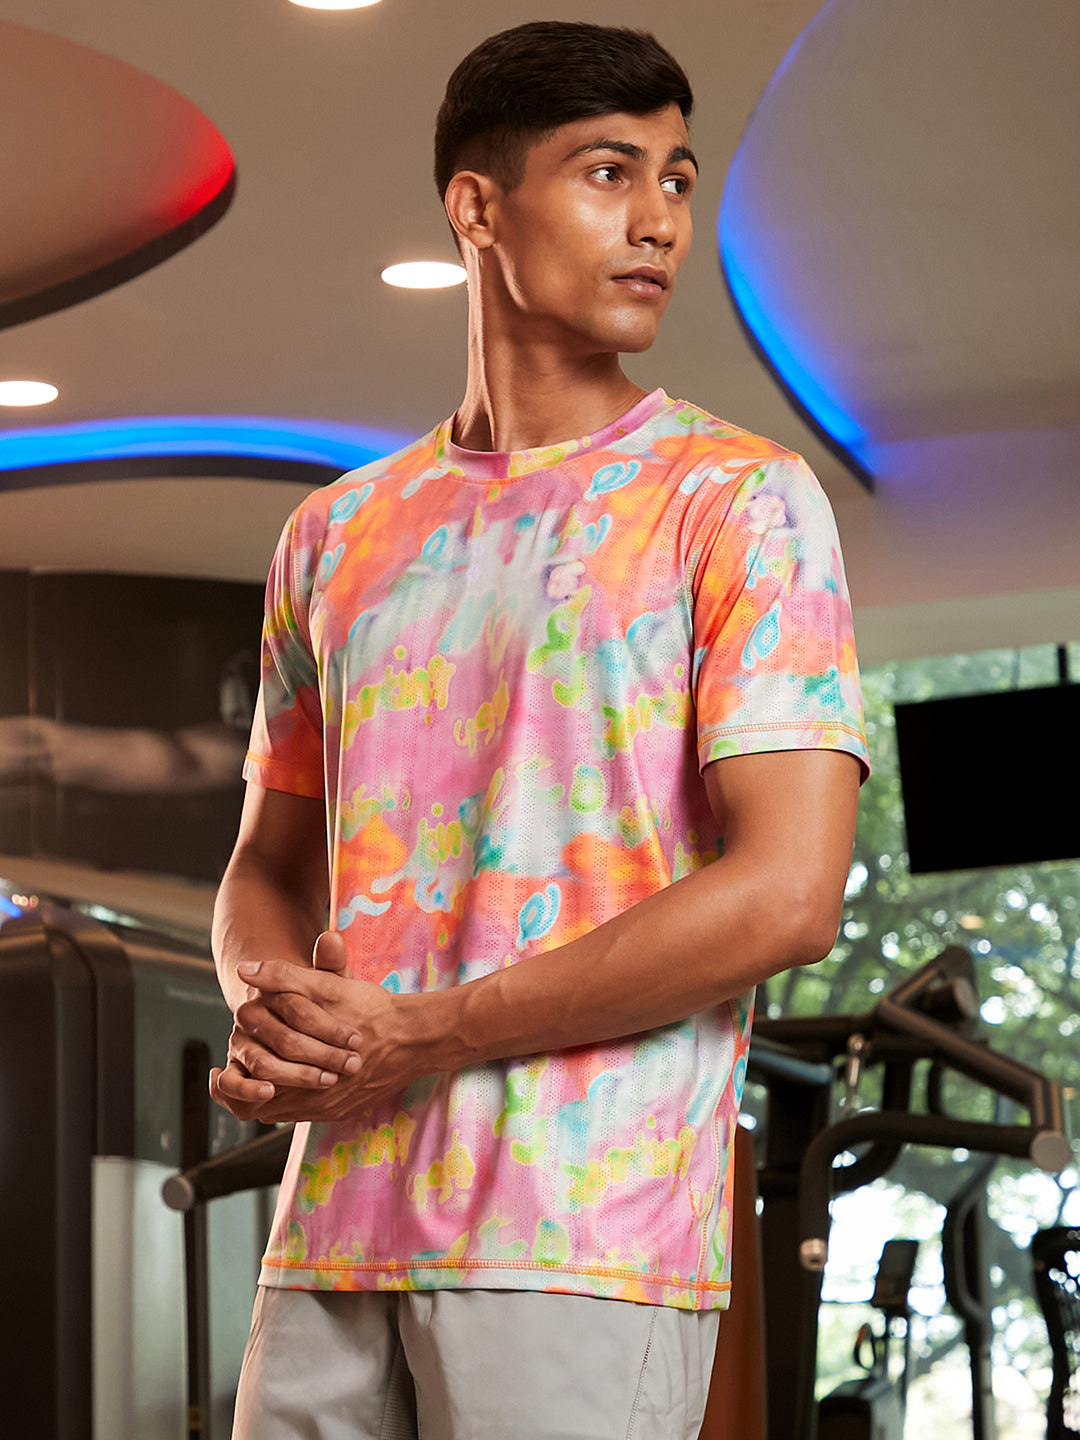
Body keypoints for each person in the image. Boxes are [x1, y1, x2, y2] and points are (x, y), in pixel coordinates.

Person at [209, 21, 868, 1439]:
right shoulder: (334, 533)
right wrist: (277, 1011)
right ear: (477, 206)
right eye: (608, 172)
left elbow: (789, 894)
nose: (659, 222)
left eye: (678, 179)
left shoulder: (738, 501)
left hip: (583, 1236)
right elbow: (269, 860)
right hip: (332, 1228)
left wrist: (419, 1032)